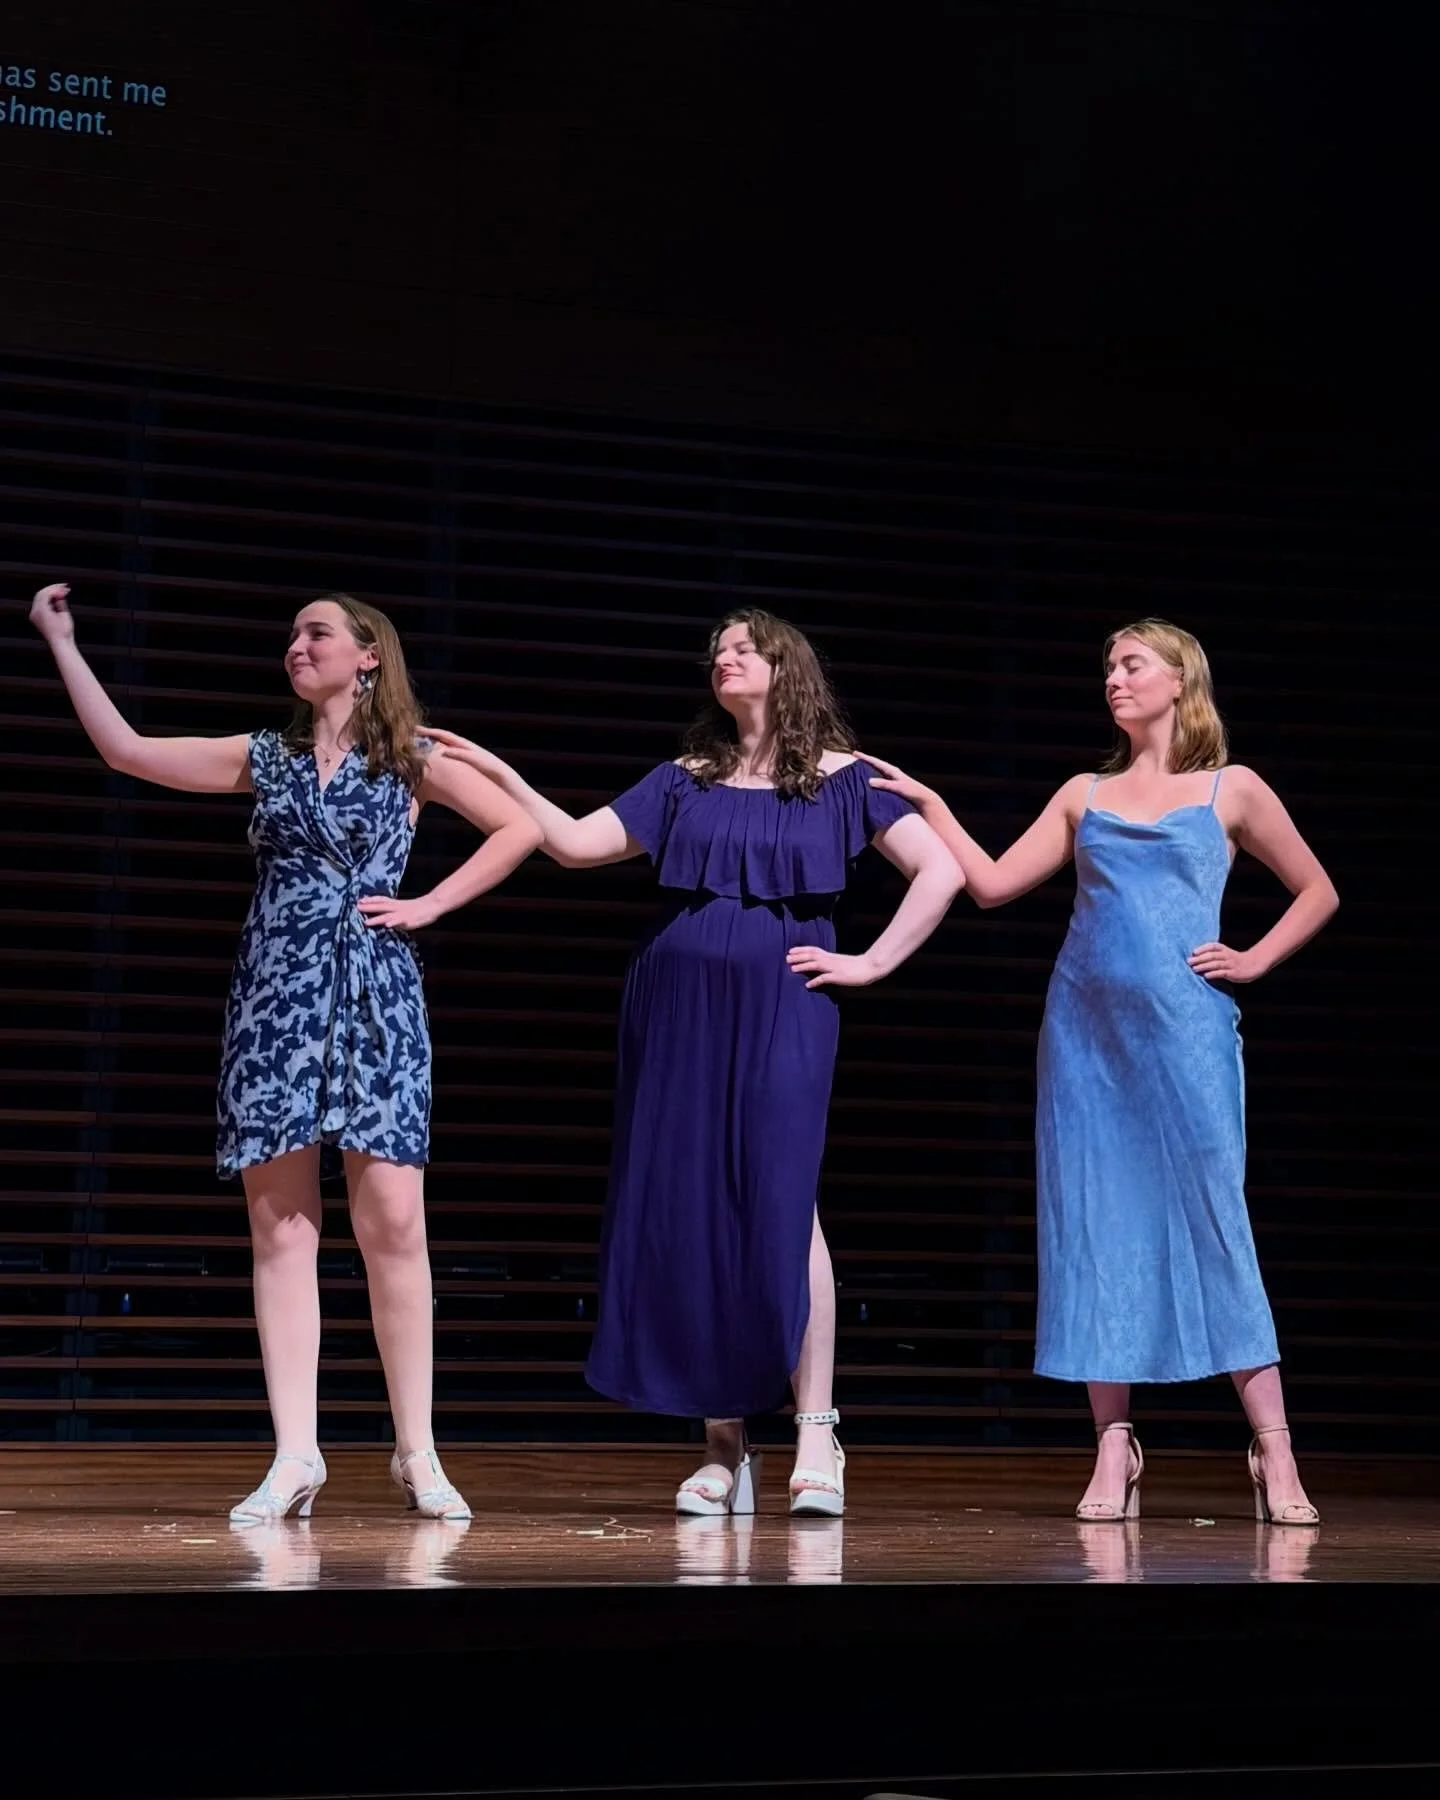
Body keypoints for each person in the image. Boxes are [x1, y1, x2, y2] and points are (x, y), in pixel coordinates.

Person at [426, 609, 961, 1516]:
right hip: (675, 1005)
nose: (727, 657)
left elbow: (941, 870)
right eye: (718, 649)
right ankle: (724, 1447)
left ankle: (817, 1433)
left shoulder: (844, 780)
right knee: (694, 1206)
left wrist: (871, 962)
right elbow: (573, 844)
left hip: (786, 1001)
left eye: (745, 647)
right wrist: (500, 771)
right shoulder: (686, 779)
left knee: (785, 1203)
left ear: (787, 665)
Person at [29, 583, 543, 1522]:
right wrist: (60, 640)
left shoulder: (411, 757)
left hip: (377, 992)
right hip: (276, 996)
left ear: (368, 656)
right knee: (282, 1229)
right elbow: (129, 752)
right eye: (293, 636)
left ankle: (417, 1451)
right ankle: (297, 1453)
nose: (297, 648)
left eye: (317, 633)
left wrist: (427, 905)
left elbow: (523, 828)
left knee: (393, 1223)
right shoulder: (265, 758)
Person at [859, 617, 1338, 1526]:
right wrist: (934, 807)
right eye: (1107, 668)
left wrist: (1256, 957)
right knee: (1094, 1225)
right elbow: (996, 886)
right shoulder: (1084, 792)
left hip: (1187, 1036)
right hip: (1084, 1039)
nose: (1113, 679)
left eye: (1131, 665)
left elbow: (1318, 888)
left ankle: (1274, 1449)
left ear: (1178, 679)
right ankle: (1114, 1445)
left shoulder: (1230, 789)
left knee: (1215, 1222)